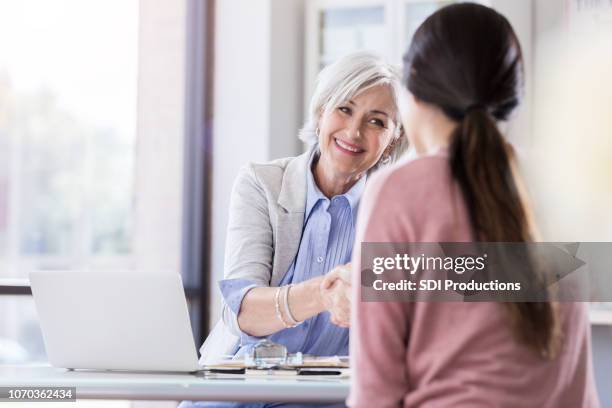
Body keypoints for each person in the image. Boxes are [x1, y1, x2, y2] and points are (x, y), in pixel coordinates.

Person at [348, 4, 600, 408]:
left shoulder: (397, 190)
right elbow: (576, 379)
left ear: (412, 94)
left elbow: (376, 392)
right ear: (510, 97)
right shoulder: (557, 184)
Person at [180, 52, 408, 408]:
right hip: (237, 392)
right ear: (320, 113)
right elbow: (243, 313)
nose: (354, 131)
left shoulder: (399, 207)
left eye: (377, 121)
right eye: (344, 109)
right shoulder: (262, 183)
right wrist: (325, 293)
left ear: (394, 139)